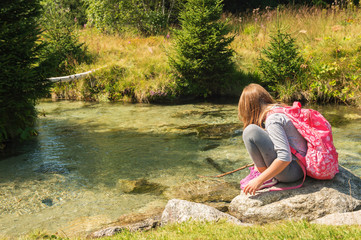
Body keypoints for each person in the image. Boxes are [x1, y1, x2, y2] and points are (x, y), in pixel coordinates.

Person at [238, 83, 307, 195]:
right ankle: (262, 173)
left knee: (250, 131)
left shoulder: (273, 119)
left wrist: (259, 181)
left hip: (292, 172)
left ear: (249, 108)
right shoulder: (281, 110)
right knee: (258, 131)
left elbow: (285, 158)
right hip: (301, 167)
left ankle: (267, 177)